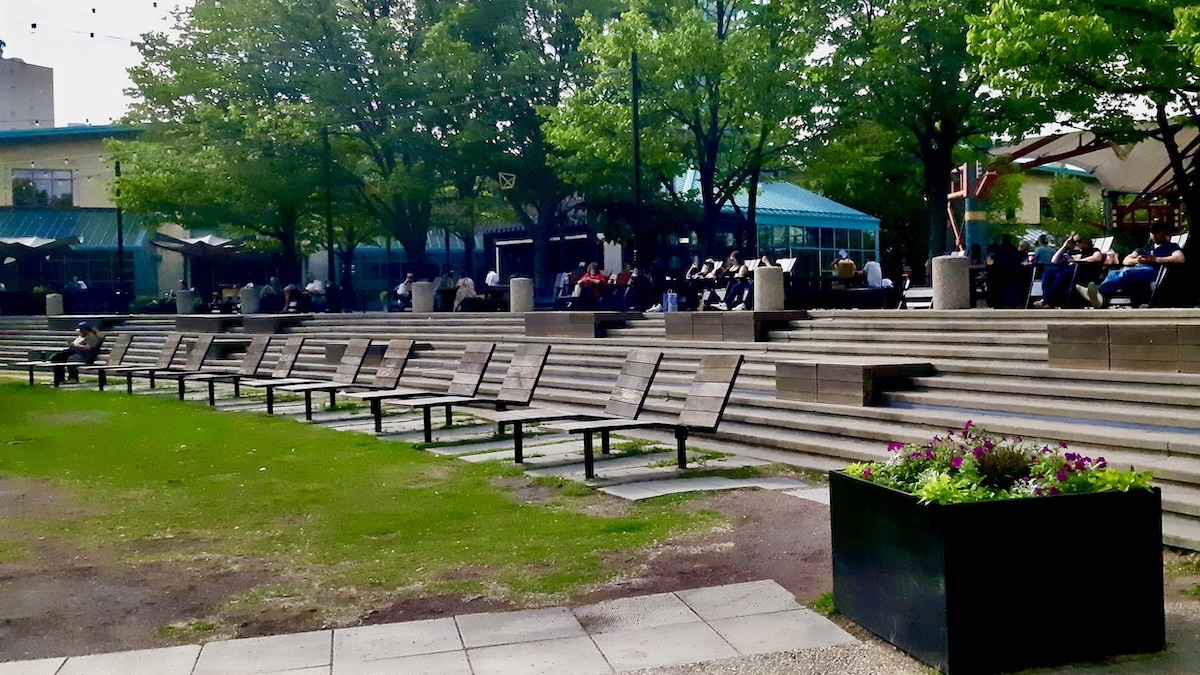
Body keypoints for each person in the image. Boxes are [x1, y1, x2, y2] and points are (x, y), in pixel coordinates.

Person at [1079, 220, 1185, 308]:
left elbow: (1180, 258)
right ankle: (1099, 297)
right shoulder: (1145, 248)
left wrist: (1155, 259)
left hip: (1155, 272)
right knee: (1114, 272)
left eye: (1157, 231)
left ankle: (1097, 291)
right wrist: (1138, 260)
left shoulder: (1171, 246)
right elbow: (1126, 260)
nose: (1155, 234)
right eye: (1153, 232)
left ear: (1164, 232)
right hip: (1140, 270)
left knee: (1127, 272)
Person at [1033, 234, 1101, 308]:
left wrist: (1078, 260)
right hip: (1067, 274)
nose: (1077, 244)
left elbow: (1097, 257)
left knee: (1063, 274)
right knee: (1049, 273)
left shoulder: (1093, 250)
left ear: (1086, 241)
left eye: (1079, 241)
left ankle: (1045, 301)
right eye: (1074, 242)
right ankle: (1050, 302)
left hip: (1082, 275)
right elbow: (1054, 261)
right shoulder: (1072, 252)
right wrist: (1064, 246)